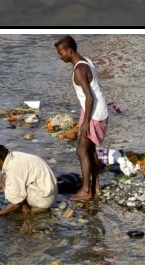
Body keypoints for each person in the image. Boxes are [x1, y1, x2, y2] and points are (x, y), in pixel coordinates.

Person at [54, 35, 108, 202]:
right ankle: (95, 186)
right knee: (90, 150)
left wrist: (85, 124)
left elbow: (89, 97)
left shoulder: (78, 70)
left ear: (69, 51)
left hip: (94, 114)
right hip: (95, 111)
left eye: (60, 53)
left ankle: (86, 190)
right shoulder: (86, 61)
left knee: (81, 150)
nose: (59, 56)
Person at [0, 142, 58, 216]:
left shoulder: (12, 169)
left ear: (0, 161)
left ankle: (26, 207)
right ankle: (24, 205)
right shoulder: (14, 156)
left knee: (9, 184)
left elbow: (15, 203)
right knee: (8, 179)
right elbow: (12, 180)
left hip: (44, 199)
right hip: (50, 190)